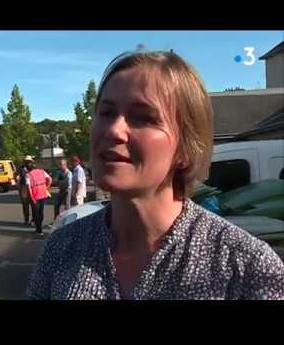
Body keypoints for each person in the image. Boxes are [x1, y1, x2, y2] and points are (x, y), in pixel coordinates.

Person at [27, 51, 284, 300]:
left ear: (186, 146)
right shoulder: (62, 247)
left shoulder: (248, 268)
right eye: (106, 112)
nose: (114, 130)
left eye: (143, 117)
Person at [26, 160, 52, 236]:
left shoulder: (28, 175)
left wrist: (32, 198)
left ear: (28, 169)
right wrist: (46, 188)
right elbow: (50, 179)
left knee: (36, 213)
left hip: (36, 195)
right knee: (41, 212)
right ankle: (39, 229)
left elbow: (29, 188)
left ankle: (39, 230)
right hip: (43, 194)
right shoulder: (41, 171)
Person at [17, 155, 36, 227]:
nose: (28, 163)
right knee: (25, 205)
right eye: (26, 161)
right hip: (24, 187)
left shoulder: (34, 168)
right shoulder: (21, 168)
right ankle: (27, 219)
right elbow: (18, 178)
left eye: (29, 161)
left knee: (33, 204)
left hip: (32, 186)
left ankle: (34, 219)